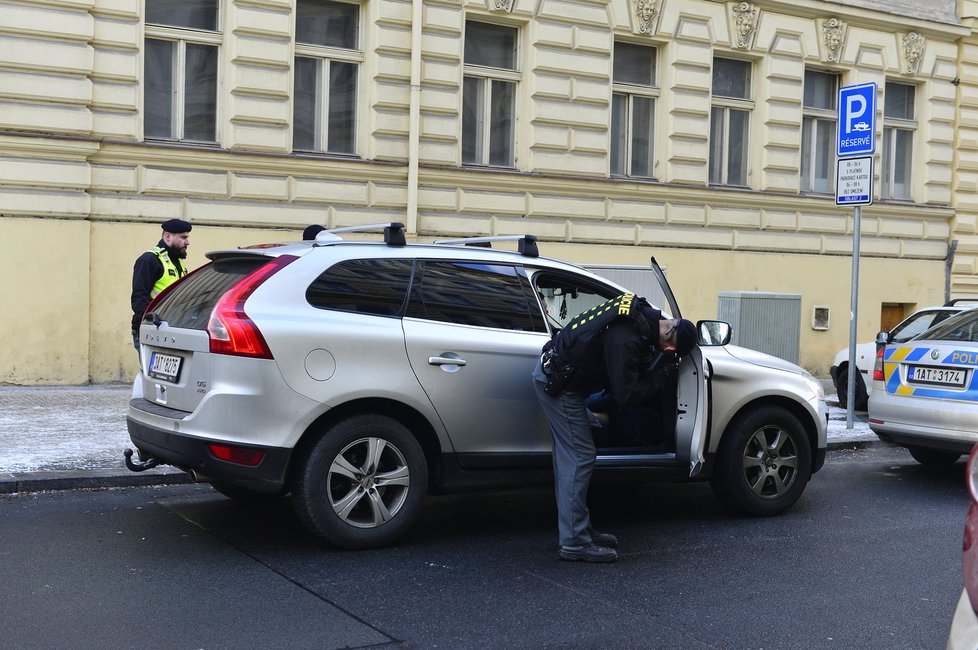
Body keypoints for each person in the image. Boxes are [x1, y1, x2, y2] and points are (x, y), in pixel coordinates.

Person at [531, 293, 697, 563]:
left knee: (572, 457)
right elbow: (627, 396)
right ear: (669, 343)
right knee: (580, 457)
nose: (666, 353)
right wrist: (659, 375)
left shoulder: (640, 312)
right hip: (560, 389)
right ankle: (574, 541)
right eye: (670, 351)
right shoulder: (627, 340)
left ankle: (578, 528)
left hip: (559, 378)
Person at [130, 219, 192, 351]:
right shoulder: (149, 259)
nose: (187, 242)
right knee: (151, 371)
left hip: (172, 328)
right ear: (168, 236)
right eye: (183, 237)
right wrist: (150, 323)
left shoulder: (177, 262)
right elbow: (139, 297)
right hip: (152, 329)